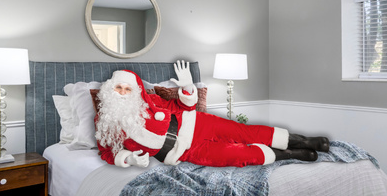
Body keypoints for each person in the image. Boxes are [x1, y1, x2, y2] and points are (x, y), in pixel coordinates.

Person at [95, 61, 329, 168]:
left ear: (136, 91)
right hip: (186, 152)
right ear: (110, 90)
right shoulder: (106, 123)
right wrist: (129, 159)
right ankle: (290, 154)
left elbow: (184, 108)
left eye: (127, 89)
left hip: (197, 124)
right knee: (238, 155)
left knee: (246, 133)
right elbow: (107, 152)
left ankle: (303, 140)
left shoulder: (150, 102)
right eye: (118, 88)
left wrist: (188, 88)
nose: (122, 93)